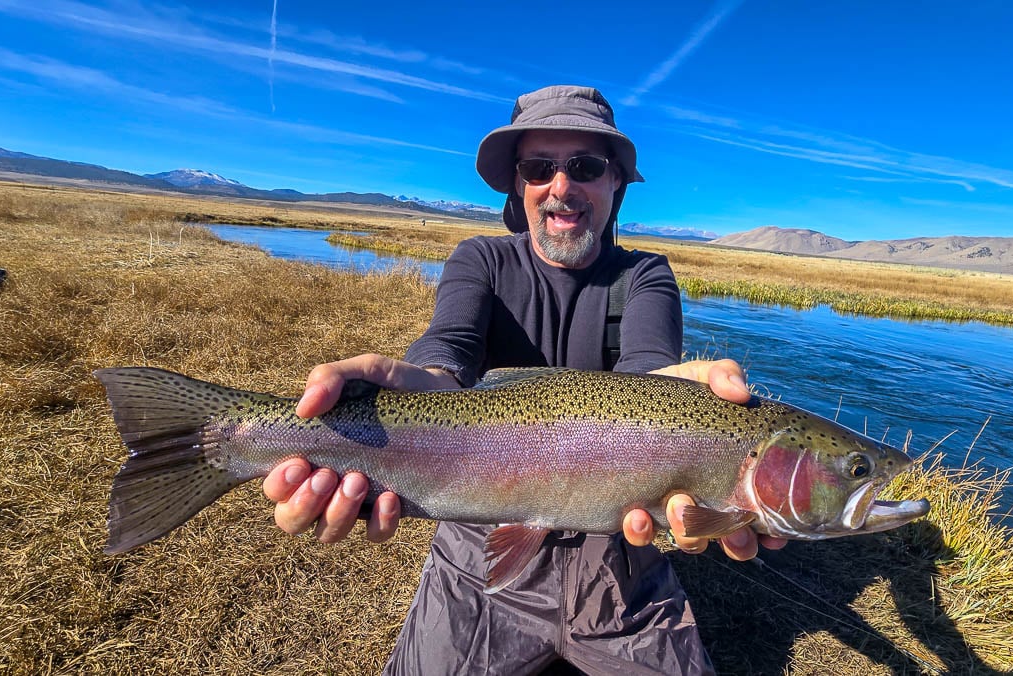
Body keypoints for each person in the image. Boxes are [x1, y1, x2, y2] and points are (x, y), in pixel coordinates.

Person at [262, 85, 784, 674]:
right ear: (519, 182)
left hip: (615, 550)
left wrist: (683, 413)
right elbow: (447, 353)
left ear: (617, 182)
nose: (561, 186)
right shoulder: (479, 259)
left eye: (585, 166)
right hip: (478, 541)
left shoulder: (645, 275)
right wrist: (424, 380)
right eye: (540, 167)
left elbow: (648, 381)